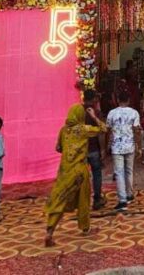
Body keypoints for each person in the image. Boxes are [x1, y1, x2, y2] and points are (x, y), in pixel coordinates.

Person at [44, 104, 104, 247]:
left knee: (60, 199)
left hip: (65, 171)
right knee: (84, 199)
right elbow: (103, 129)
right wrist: (93, 116)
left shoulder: (63, 130)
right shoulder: (83, 129)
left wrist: (69, 151)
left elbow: (58, 148)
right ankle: (85, 227)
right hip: (79, 171)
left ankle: (49, 231)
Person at [106, 91, 141, 210]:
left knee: (119, 172)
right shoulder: (134, 113)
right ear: (128, 100)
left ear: (118, 100)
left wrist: (107, 145)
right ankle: (129, 194)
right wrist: (138, 145)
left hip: (116, 146)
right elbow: (137, 130)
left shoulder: (111, 113)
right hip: (130, 145)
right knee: (129, 171)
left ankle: (122, 200)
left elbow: (108, 130)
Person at [82, 89, 107, 209]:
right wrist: (103, 149)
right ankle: (97, 198)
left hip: (81, 149)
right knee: (96, 174)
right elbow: (102, 132)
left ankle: (82, 200)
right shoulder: (96, 112)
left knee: (82, 176)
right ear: (94, 99)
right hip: (93, 148)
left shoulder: (78, 112)